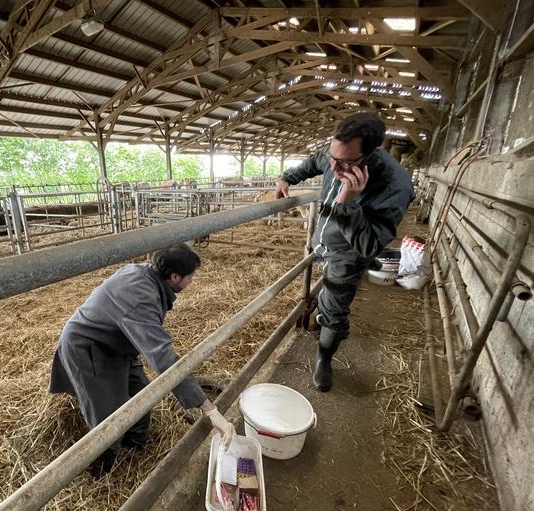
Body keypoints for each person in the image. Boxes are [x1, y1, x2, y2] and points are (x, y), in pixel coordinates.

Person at [50, 244, 234, 475]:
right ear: (174, 276)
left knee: (142, 397)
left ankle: (134, 451)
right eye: (189, 277)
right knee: (106, 417)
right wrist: (210, 410)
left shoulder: (148, 274)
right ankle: (101, 470)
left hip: (119, 345)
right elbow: (164, 358)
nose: (191, 282)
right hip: (90, 348)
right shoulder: (140, 297)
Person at [275, 112, 414, 392]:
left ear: (370, 152)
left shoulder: (394, 185)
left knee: (335, 311)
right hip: (321, 241)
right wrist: (287, 178)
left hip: (348, 254)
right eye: (332, 158)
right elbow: (317, 160)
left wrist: (347, 203)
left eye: (344, 162)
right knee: (324, 296)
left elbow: (368, 246)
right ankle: (320, 316)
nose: (334, 167)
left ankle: (324, 358)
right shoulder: (336, 156)